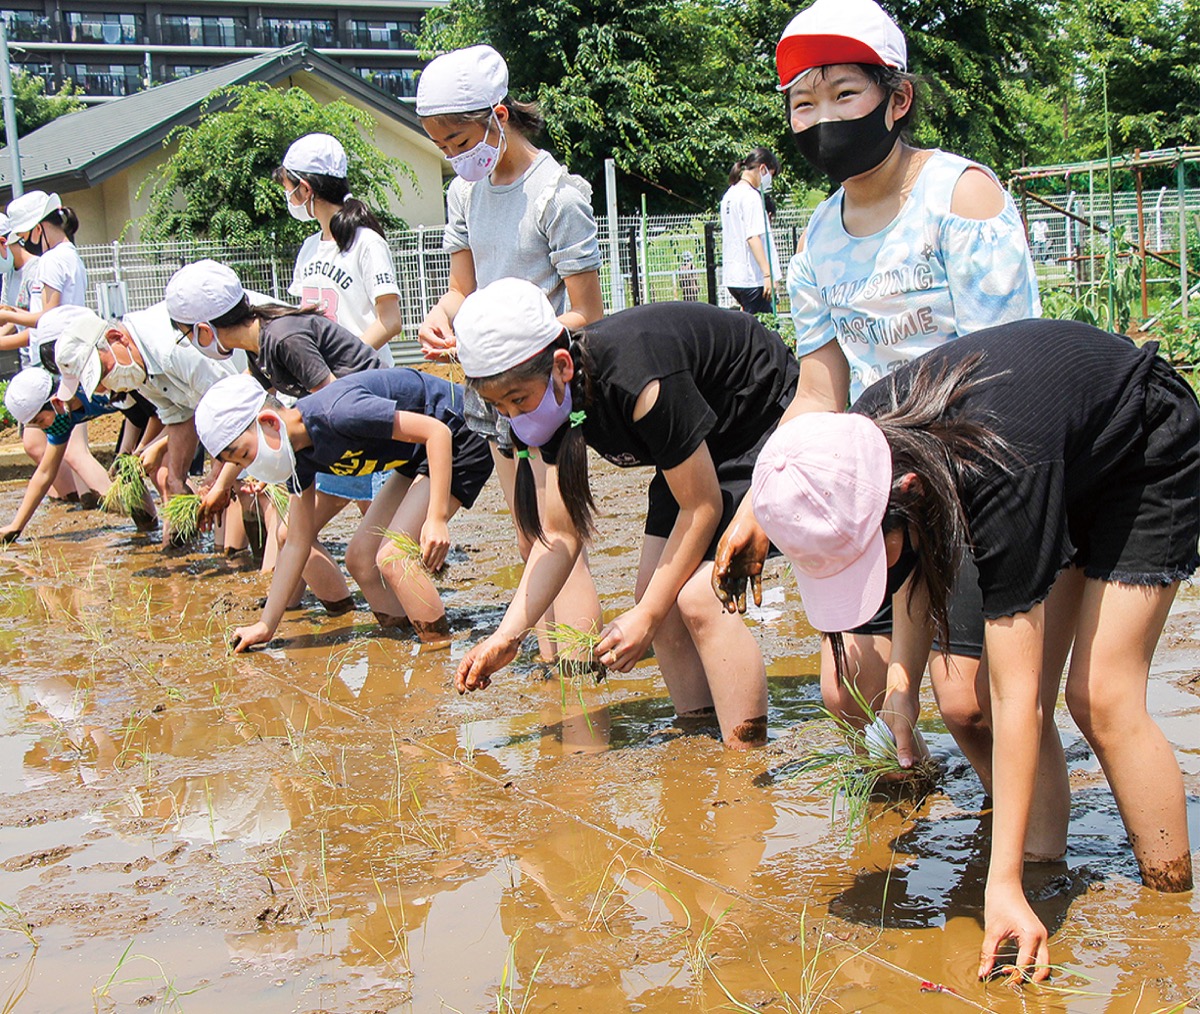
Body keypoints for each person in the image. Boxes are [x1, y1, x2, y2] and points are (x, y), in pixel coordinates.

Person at [749, 317, 1198, 980]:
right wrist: (901, 693)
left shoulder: (993, 471)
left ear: (904, 495)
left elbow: (1014, 700)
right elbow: (914, 568)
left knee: (1098, 697)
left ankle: (1170, 911)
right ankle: (1042, 872)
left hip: (1142, 447)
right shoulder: (861, 445)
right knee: (1015, 695)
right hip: (1064, 460)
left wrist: (998, 880)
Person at [714, 0, 1052, 854]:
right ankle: (908, 778)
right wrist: (763, 496)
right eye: (802, 102)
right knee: (842, 691)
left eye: (843, 93)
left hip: (985, 469)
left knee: (971, 700)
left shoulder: (960, 196)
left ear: (895, 98)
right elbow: (821, 387)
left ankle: (1024, 846)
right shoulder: (818, 242)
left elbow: (1008, 373)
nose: (821, 119)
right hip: (886, 482)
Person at [451, 278, 801, 748]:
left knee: (698, 594)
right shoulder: (550, 407)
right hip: (697, 442)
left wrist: (647, 616)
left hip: (759, 416)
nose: (514, 416)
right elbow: (558, 535)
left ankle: (744, 760)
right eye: (498, 406)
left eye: (517, 399)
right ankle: (698, 736)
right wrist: (508, 636)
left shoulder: (633, 376)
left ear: (561, 365)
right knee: (651, 593)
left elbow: (702, 506)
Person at [415, 44, 606, 663]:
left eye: (458, 139)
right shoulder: (465, 197)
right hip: (494, 394)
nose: (453, 155)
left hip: (546, 391)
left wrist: (512, 344)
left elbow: (589, 313)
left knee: (560, 537)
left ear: (498, 116)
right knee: (529, 536)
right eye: (441, 147)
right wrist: (444, 321)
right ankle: (553, 664)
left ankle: (579, 676)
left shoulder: (559, 195)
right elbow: (460, 290)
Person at [194, 371, 493, 652]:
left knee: (393, 556)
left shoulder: (338, 414)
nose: (251, 467)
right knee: (360, 559)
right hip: (415, 456)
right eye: (241, 464)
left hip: (458, 435)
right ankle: (403, 636)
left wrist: (436, 518)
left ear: (270, 421)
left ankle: (438, 650)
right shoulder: (295, 455)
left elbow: (437, 432)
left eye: (246, 455)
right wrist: (266, 624)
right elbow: (298, 540)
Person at [165, 259, 390, 613]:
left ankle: (401, 619)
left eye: (186, 334)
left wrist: (284, 468)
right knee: (291, 535)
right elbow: (247, 423)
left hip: (376, 434)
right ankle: (339, 612)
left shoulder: (284, 338)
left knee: (375, 546)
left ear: (204, 331)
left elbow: (334, 404)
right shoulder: (259, 348)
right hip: (344, 441)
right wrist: (230, 480)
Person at [273, 132, 405, 600]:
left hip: (365, 397)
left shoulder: (367, 243)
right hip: (325, 405)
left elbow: (390, 320)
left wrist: (344, 369)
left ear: (305, 189)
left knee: (382, 551)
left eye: (289, 185)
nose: (288, 195)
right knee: (311, 533)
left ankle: (411, 629)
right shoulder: (309, 251)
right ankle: (347, 610)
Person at [53, 304, 236, 544]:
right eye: (100, 383)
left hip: (263, 401)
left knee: (245, 489)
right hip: (227, 415)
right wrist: (177, 479)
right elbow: (177, 414)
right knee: (175, 482)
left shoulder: (172, 349)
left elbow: (231, 407)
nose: (109, 385)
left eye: (104, 371)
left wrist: (216, 476)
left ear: (115, 338)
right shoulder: (139, 369)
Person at [719, 147, 780, 313]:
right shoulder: (750, 196)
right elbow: (753, 237)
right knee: (762, 332)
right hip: (752, 278)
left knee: (749, 325)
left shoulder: (729, 195)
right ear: (762, 168)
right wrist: (768, 275)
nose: (768, 180)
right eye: (770, 174)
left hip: (735, 277)